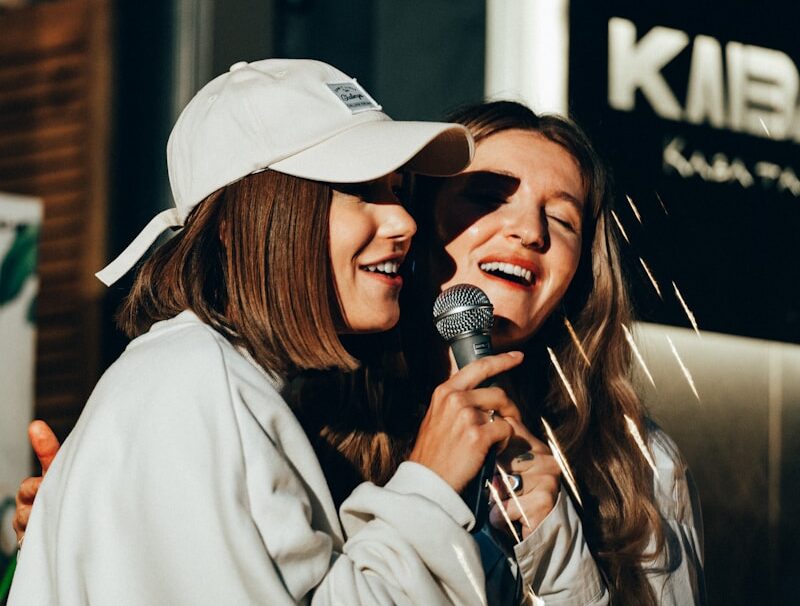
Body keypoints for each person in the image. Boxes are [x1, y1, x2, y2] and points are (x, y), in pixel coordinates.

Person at [13, 100, 705, 604]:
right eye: (487, 198)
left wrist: (553, 539)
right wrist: (107, 521)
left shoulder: (634, 459)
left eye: (563, 219)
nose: (527, 229)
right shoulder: (304, 412)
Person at [8, 58, 530, 605]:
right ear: (245, 222)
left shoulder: (221, 383)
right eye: (360, 188)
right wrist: (429, 489)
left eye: (397, 189)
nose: (404, 221)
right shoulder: (193, 382)